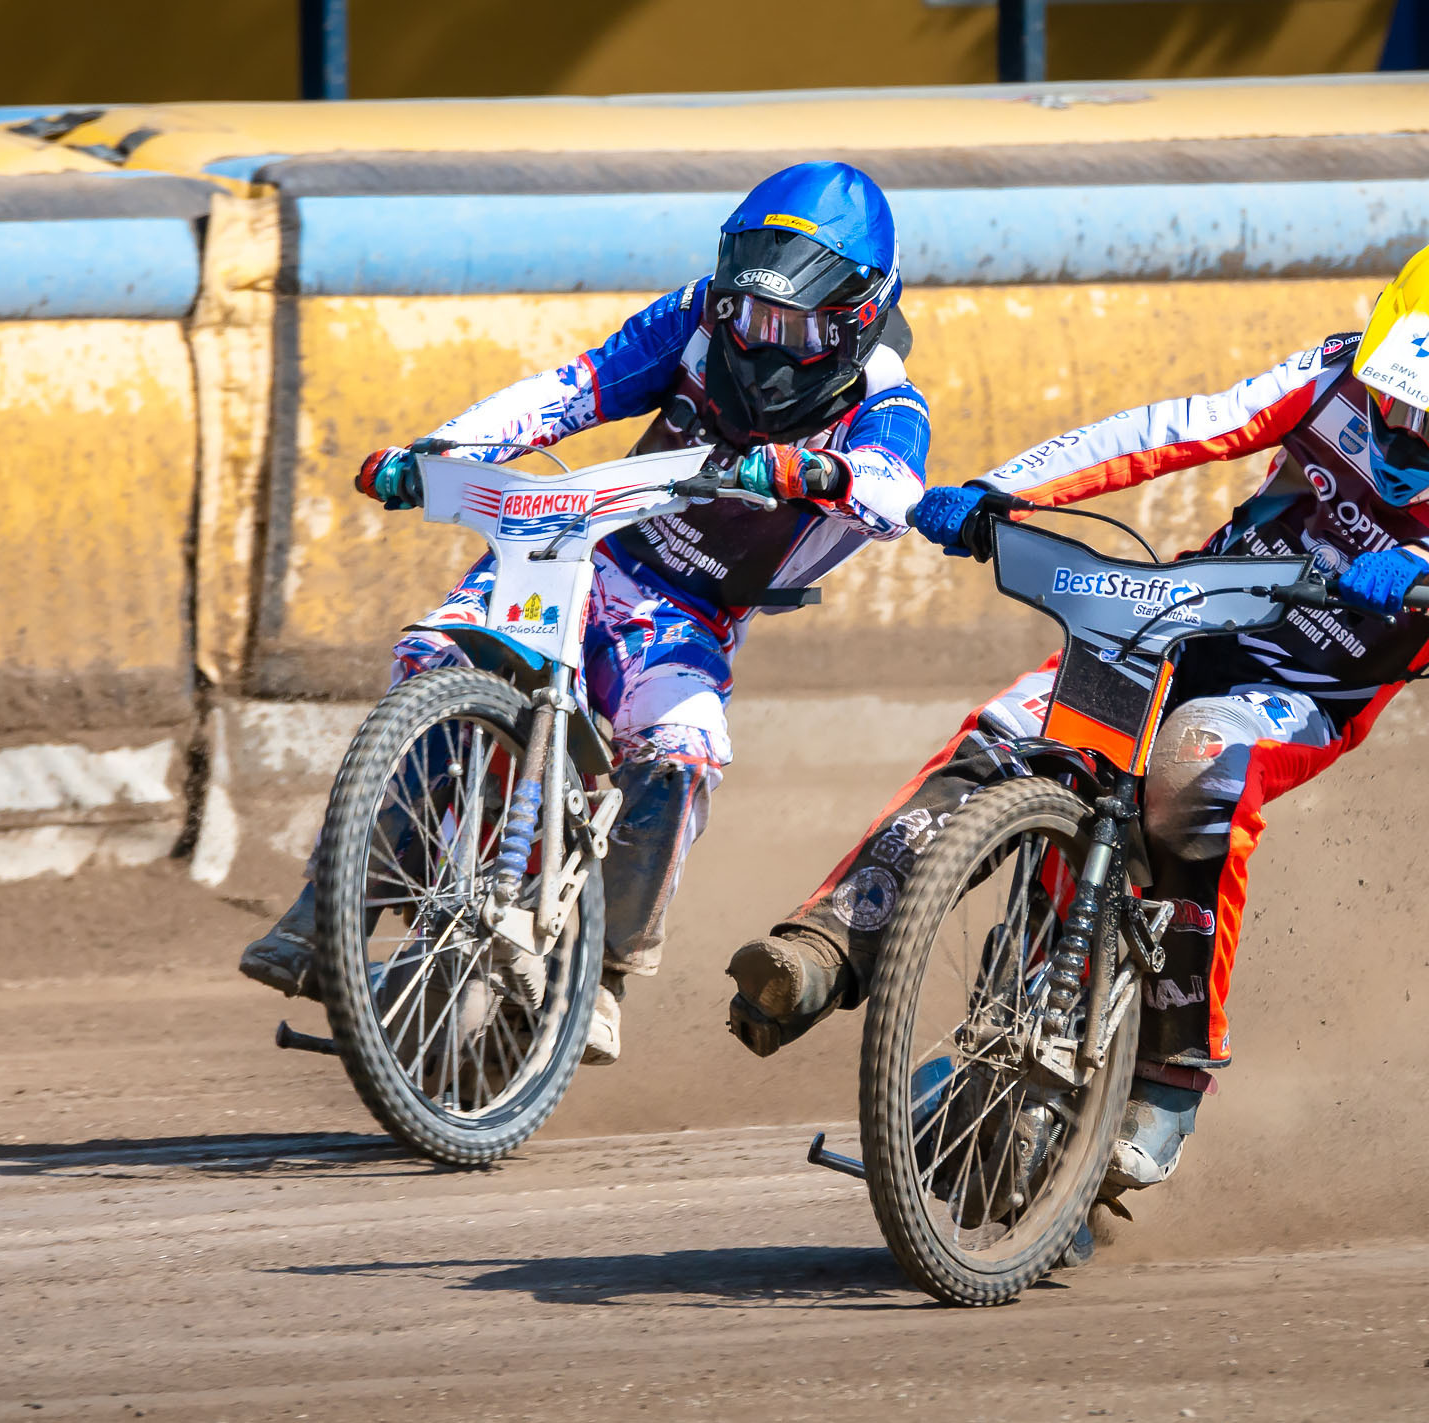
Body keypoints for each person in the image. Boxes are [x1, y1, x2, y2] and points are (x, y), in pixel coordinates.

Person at [726, 225, 1429, 1220]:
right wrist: (1004, 490)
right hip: (1193, 614)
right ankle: (831, 942)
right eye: (1391, 405)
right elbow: (1177, 427)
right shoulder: (1337, 373)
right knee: (1011, 725)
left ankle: (1167, 1081)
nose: (1396, 435)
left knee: (1194, 764)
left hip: (1306, 692)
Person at [239, 162, 931, 1067]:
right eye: (747, 315)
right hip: (582, 547)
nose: (757, 343)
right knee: (434, 655)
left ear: (851, 317)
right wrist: (439, 452)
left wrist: (817, 473)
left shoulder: (884, 397)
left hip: (687, 620)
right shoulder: (695, 317)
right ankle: (338, 903)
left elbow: (894, 489)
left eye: (786, 326)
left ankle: (603, 974)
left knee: (683, 752)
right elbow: (571, 389)